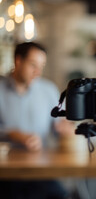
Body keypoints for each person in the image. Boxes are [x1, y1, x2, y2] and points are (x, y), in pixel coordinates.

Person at [0, 41, 75, 199]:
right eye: (33, 65)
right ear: (18, 61)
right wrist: (12, 134)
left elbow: (59, 128)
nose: (38, 72)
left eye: (41, 66)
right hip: (6, 175)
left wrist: (65, 130)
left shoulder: (49, 90)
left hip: (41, 171)